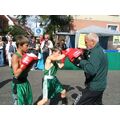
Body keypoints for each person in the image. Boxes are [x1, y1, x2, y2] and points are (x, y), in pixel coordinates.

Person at [65, 33, 108, 105]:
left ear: (92, 42)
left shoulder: (95, 52)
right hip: (100, 85)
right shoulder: (100, 50)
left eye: (86, 42)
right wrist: (78, 61)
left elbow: (91, 70)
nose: (85, 44)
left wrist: (81, 61)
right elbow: (90, 66)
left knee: (77, 104)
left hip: (94, 87)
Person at [11, 35, 38, 105]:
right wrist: (24, 65)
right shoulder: (15, 56)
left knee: (28, 103)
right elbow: (16, 74)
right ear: (20, 45)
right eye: (26, 45)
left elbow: (26, 71)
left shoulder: (25, 55)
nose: (28, 47)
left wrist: (31, 64)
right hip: (18, 84)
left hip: (25, 82)